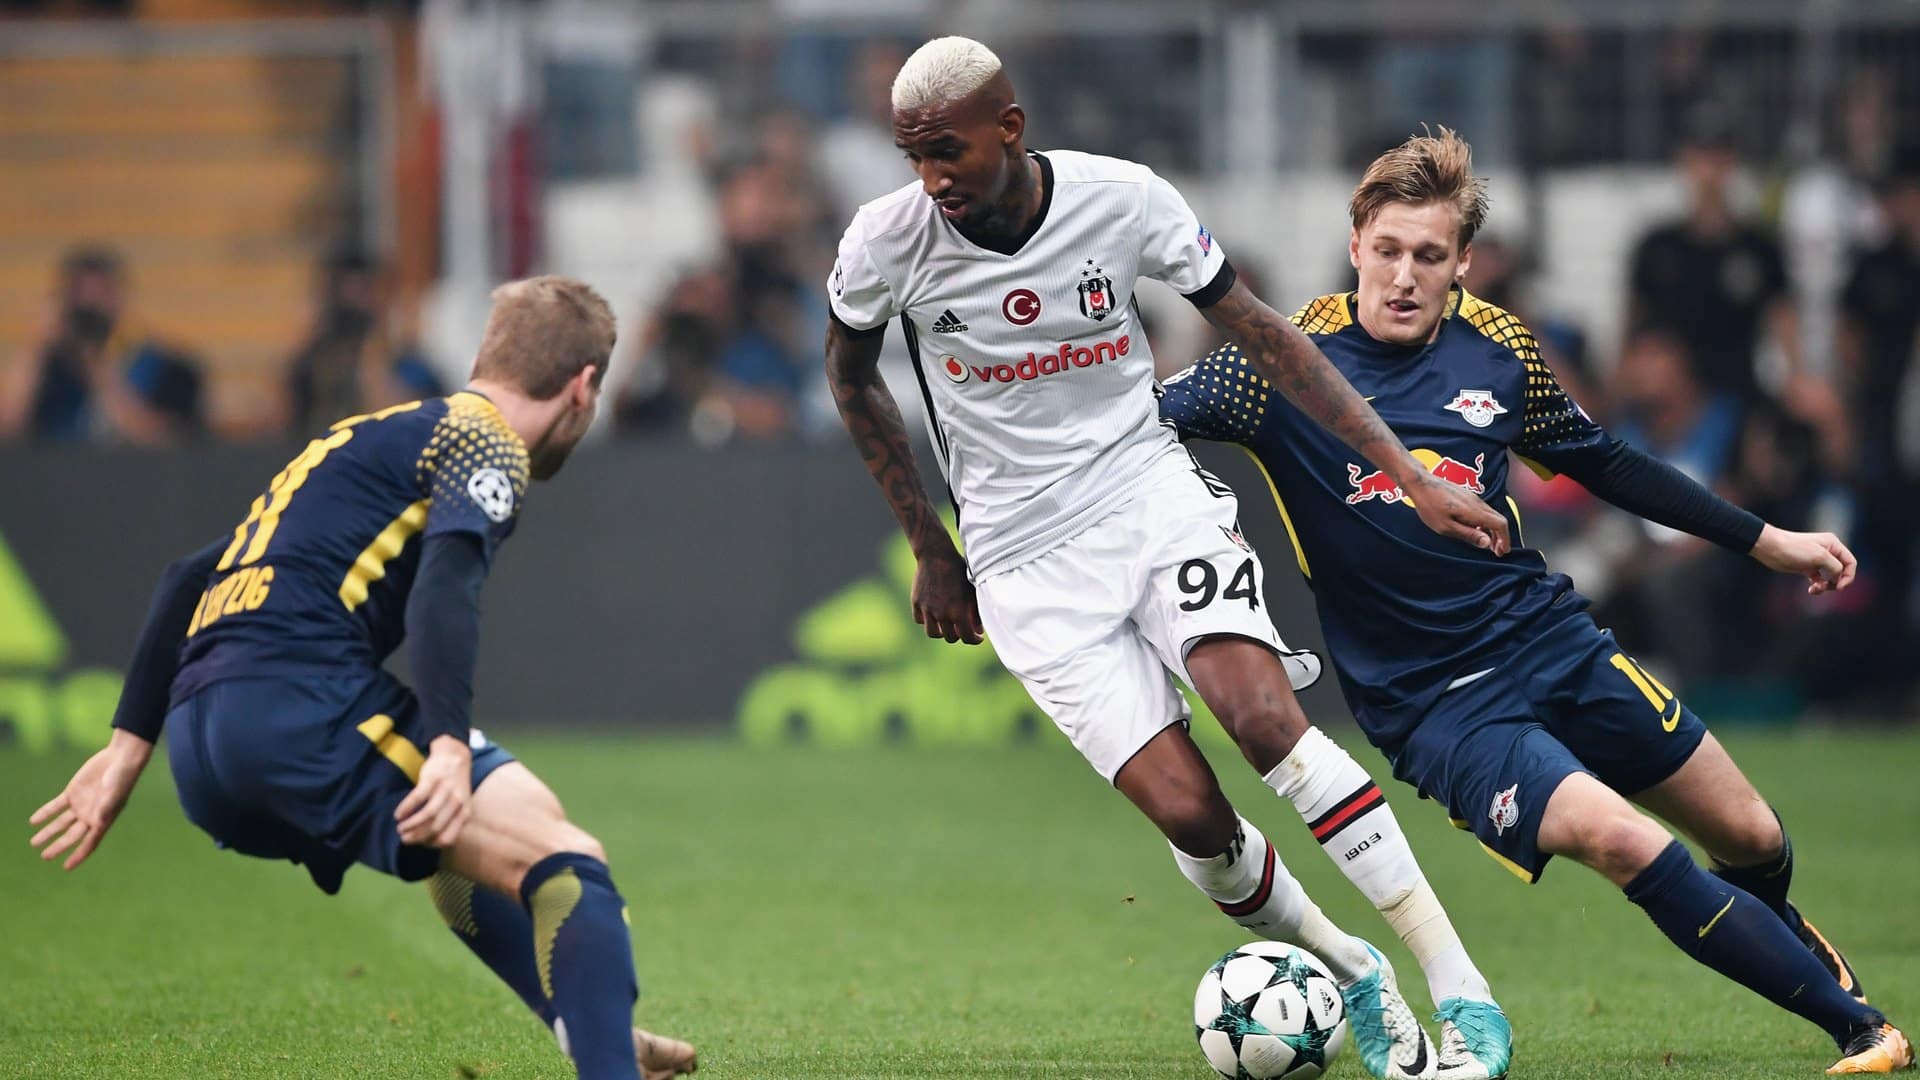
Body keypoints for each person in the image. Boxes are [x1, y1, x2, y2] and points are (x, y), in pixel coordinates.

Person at [823, 37, 1514, 1080]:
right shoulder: (886, 241)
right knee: (1194, 816)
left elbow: (1269, 338)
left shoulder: (1123, 199)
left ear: (1009, 129)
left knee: (1265, 721)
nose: (932, 178)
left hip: (1146, 495)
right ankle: (1351, 966)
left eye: (948, 151)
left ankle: (1462, 992)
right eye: (912, 155)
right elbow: (851, 375)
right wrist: (933, 543)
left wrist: (1409, 475)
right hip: (1020, 562)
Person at [1158, 128, 1912, 1075]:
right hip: (1435, 701)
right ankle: (1860, 1028)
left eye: (1428, 256)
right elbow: (1135, 423)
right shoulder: (1276, 361)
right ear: (1356, 244)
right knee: (1619, 836)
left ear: (1462, 265)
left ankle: (1788, 932)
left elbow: (1606, 462)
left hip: (1548, 637)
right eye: (1386, 251)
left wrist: (1768, 540)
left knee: (1752, 835)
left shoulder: (1500, 350)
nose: (1402, 276)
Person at [28, 277, 697, 1080]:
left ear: (487, 357)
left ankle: (595, 1031)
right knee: (568, 864)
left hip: (201, 745)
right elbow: (445, 590)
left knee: (477, 835)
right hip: (296, 706)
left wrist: (127, 750)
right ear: (584, 389)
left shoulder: (362, 436)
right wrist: (446, 743)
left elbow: (185, 578)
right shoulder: (484, 443)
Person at [0, 245, 203, 444]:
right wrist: (34, 349)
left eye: (101, 295)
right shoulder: (47, 370)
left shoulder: (168, 368)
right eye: (79, 296)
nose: (90, 306)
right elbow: (9, 428)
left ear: (121, 297)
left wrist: (98, 371)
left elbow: (162, 441)